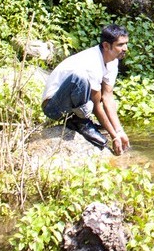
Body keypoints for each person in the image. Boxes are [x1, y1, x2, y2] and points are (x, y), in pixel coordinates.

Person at [42, 24, 131, 154]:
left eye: (126, 44)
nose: (125, 48)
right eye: (120, 45)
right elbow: (96, 106)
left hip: (72, 106)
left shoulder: (113, 61)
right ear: (106, 46)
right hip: (54, 107)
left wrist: (119, 131)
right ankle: (81, 122)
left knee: (88, 87)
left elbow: (107, 97)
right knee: (79, 77)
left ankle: (78, 119)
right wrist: (114, 137)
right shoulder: (92, 62)